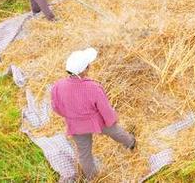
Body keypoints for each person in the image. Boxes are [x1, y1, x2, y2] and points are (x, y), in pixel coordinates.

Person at [51, 48, 136, 180]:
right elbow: (105, 109)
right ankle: (130, 143)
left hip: (76, 126)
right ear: (84, 70)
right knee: (116, 132)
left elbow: (56, 107)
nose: (89, 67)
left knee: (84, 153)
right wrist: (112, 119)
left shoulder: (58, 86)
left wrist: (70, 116)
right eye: (88, 66)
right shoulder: (93, 87)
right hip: (97, 121)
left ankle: (92, 177)